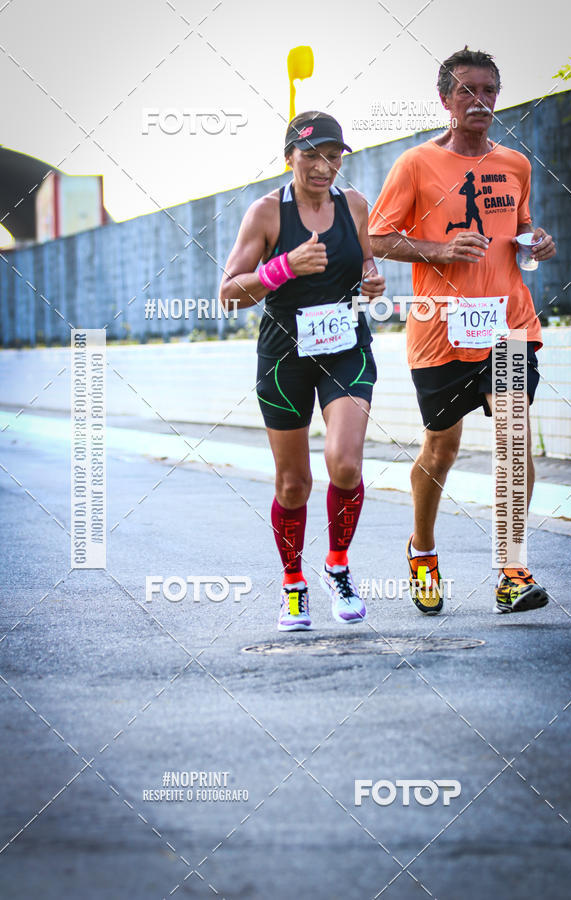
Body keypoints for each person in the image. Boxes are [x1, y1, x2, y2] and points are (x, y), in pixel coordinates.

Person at [368, 48, 556, 615]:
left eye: (488, 91)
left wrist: (537, 243)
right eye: (466, 91)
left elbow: (519, 230)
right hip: (440, 331)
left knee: (514, 438)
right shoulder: (416, 164)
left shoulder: (515, 164)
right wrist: (440, 249)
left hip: (508, 325)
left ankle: (511, 570)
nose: (479, 101)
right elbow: (377, 238)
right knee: (442, 448)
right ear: (445, 99)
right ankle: (422, 550)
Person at [220, 111, 385, 631]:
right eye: (311, 155)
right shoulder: (266, 213)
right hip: (284, 358)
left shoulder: (353, 204)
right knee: (294, 485)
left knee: (346, 464)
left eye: (333, 157)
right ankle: (293, 584)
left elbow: (365, 260)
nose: (322, 167)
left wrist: (371, 277)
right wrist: (284, 267)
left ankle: (337, 566)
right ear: (289, 157)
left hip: (344, 348)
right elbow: (228, 294)